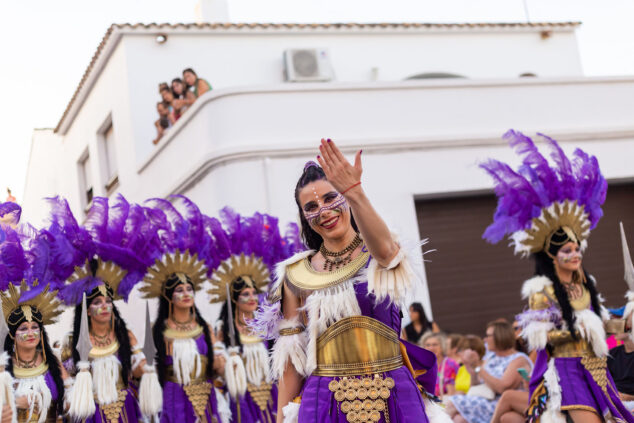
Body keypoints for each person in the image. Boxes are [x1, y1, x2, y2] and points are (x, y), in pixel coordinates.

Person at [260, 139, 444, 423]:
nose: (324, 211)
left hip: (394, 395)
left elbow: (388, 253)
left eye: (331, 198)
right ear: (304, 217)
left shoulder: (379, 253)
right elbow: (291, 362)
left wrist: (354, 192)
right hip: (325, 401)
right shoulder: (296, 274)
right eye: (311, 206)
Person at [482, 130, 634, 422]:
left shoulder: (585, 286)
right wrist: (582, 330)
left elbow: (600, 322)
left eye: (577, 249)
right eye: (567, 251)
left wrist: (624, 322)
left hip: (598, 369)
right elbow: (542, 337)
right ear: (552, 255)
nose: (575, 255)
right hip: (568, 373)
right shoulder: (543, 291)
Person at [44, 195, 162, 422]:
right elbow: (69, 388)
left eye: (108, 301)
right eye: (97, 303)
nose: (105, 306)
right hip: (94, 414)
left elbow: (138, 371)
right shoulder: (72, 343)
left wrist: (146, 369)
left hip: (127, 410)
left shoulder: (124, 335)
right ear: (87, 310)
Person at [207, 208, 302, 423]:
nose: (252, 298)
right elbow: (219, 368)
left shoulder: (266, 324)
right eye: (245, 295)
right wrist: (228, 362)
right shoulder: (223, 328)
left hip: (270, 392)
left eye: (253, 293)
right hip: (242, 399)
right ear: (234, 299)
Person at [140, 196, 230, 423]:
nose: (187, 293)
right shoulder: (158, 330)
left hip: (206, 395)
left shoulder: (203, 326)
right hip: (175, 397)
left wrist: (227, 361)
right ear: (169, 296)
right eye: (180, 290)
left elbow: (218, 365)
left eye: (189, 288)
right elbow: (148, 367)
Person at [445, 321, 532, 423]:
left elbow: (502, 388)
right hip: (484, 400)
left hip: (498, 403)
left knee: (451, 402)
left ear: (500, 337)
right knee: (458, 419)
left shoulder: (518, 360)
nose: (485, 339)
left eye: (488, 336)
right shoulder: (491, 357)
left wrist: (478, 367)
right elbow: (476, 385)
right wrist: (471, 368)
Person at [421, 332, 459, 398]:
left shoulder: (450, 364)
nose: (431, 348)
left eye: (435, 345)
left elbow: (451, 394)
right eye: (428, 345)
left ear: (442, 346)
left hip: (444, 404)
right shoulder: (422, 366)